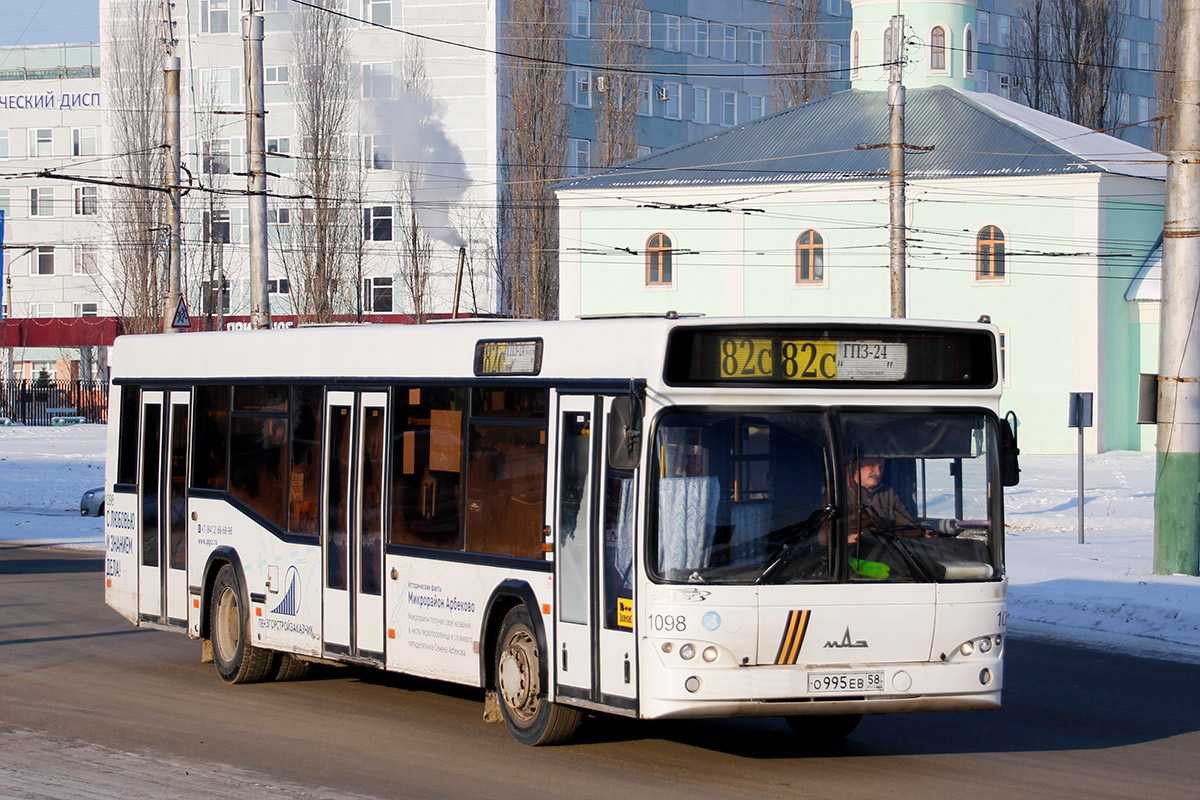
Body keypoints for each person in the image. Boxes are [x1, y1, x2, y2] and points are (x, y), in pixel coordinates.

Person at [844, 457, 926, 542]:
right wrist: (847, 539)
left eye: (881, 467)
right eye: (871, 466)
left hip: (888, 549)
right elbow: (830, 533)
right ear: (855, 467)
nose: (878, 472)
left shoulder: (887, 493)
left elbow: (904, 523)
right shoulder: (840, 494)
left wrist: (921, 533)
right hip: (852, 551)